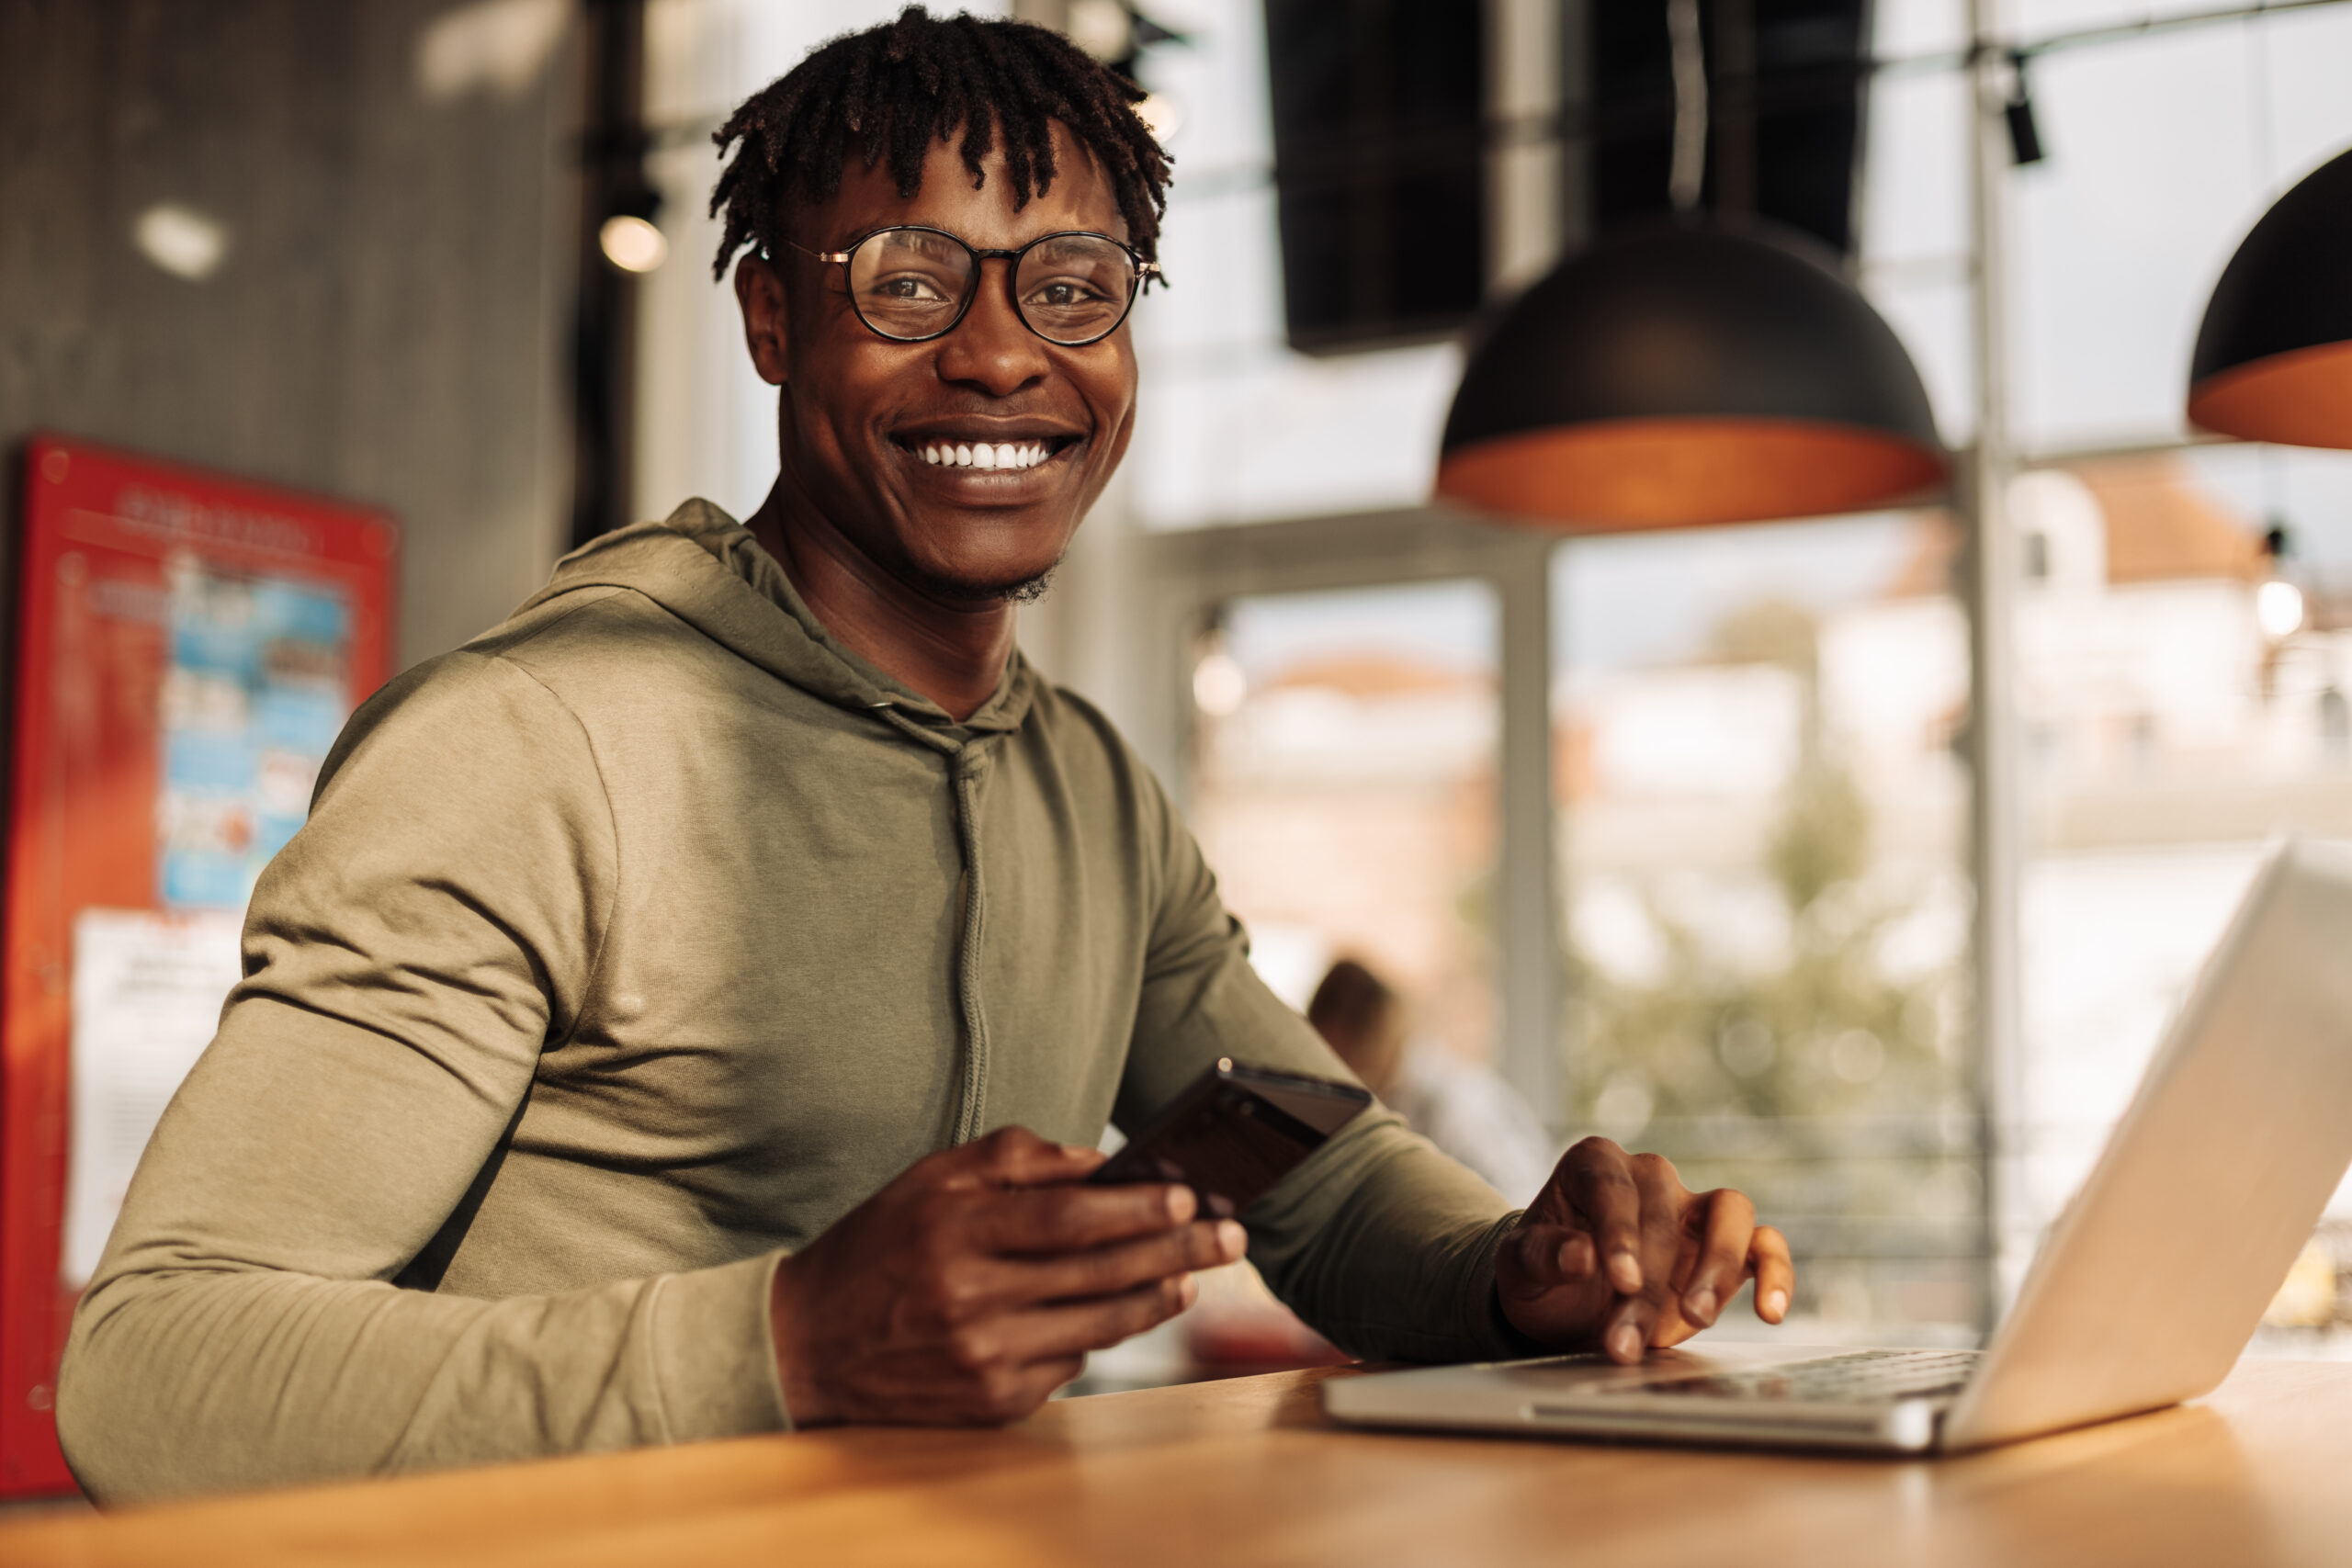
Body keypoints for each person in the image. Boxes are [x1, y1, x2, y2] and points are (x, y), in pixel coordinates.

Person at [56, 7, 1791, 1503]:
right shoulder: (534, 743)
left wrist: (1525, 1272)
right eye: (907, 280)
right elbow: (151, 1372)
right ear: (765, 321)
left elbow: (1319, 1176)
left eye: (1071, 284)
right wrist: (787, 1338)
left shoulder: (1093, 792)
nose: (999, 350)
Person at [1307, 959, 1556, 1207]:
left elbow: (1520, 1204)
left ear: (1371, 1030)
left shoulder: (1451, 1106)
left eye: (1336, 1054)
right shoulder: (1391, 1099)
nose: (1334, 1072)